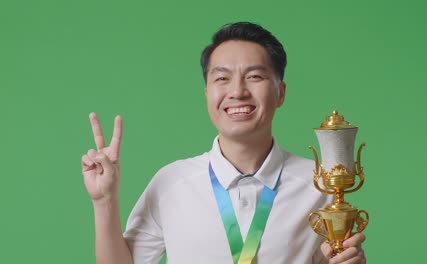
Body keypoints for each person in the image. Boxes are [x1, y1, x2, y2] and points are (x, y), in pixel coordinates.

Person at [81, 22, 367, 264]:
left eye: (254, 76)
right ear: (207, 92)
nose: (237, 91)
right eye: (222, 78)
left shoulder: (319, 184)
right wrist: (104, 201)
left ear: (280, 92)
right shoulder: (171, 182)